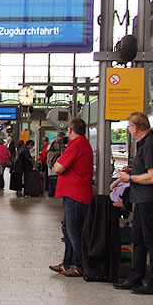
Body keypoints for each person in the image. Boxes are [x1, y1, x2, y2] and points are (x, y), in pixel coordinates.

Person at [113, 112, 153, 295]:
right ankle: (135, 278)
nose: (128, 130)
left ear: (135, 127)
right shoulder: (146, 144)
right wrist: (133, 170)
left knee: (152, 241)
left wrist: (129, 177)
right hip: (141, 199)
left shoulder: (151, 144)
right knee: (138, 239)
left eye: (129, 127)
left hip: (151, 200)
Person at [49, 117, 94, 277]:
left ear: (69, 130)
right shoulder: (82, 144)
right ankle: (68, 263)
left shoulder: (76, 145)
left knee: (74, 232)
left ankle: (82, 265)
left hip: (76, 195)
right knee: (68, 231)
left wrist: (56, 163)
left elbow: (58, 168)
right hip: (75, 194)